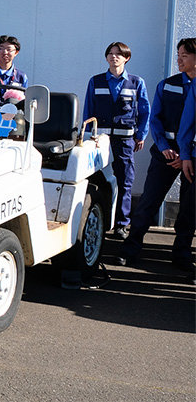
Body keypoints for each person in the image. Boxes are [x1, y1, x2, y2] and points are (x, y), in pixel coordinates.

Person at [115, 38, 194, 282]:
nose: (178, 59)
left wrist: (186, 155)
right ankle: (131, 249)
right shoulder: (167, 85)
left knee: (189, 209)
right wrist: (164, 148)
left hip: (191, 158)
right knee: (149, 202)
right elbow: (155, 120)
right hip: (166, 155)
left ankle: (181, 255)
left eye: (183, 55)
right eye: (178, 54)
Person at [82, 41, 150, 240]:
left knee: (125, 182)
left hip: (125, 140)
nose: (114, 57)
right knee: (95, 179)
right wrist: (86, 135)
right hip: (99, 139)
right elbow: (88, 109)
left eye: (118, 54)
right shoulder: (96, 81)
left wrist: (141, 135)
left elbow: (145, 111)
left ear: (126, 58)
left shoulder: (137, 82)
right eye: (110, 54)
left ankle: (122, 224)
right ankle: (97, 220)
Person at [0, 35, 30, 111]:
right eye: (1, 48)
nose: (5, 52)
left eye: (9, 49)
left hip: (14, 119)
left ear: (16, 52)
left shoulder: (21, 76)